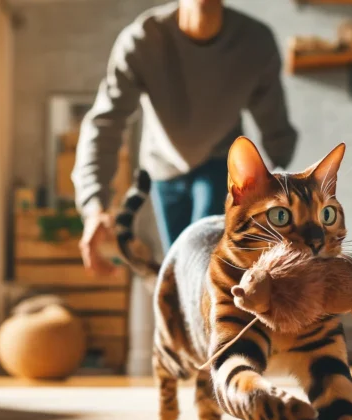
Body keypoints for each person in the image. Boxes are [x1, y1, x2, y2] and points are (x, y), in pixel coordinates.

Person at [73, 0, 298, 276]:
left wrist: (281, 193)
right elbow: (105, 123)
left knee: (204, 266)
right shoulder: (142, 40)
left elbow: (275, 125)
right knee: (179, 269)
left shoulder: (255, 43)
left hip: (220, 165)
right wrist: (95, 206)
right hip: (162, 169)